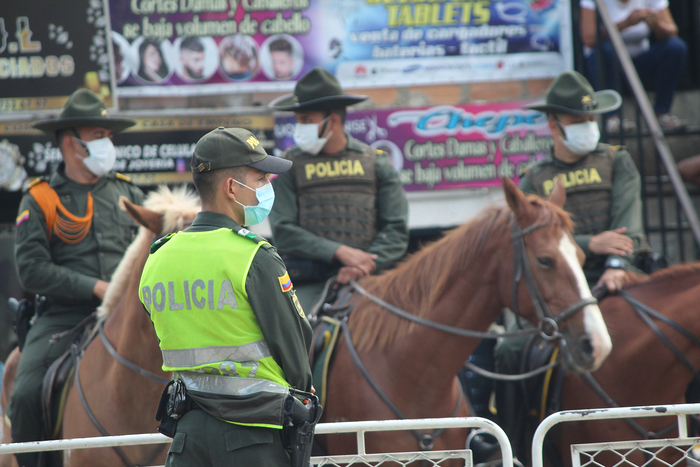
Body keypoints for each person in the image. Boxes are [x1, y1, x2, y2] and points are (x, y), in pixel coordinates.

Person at [494, 71, 649, 459]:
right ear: (554, 124)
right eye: (578, 122)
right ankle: (512, 448)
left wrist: (616, 263)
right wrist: (588, 243)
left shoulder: (617, 161)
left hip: (618, 274)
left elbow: (630, 224)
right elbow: (531, 244)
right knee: (509, 350)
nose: (587, 128)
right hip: (559, 283)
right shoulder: (536, 178)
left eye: (591, 120)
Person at [139, 127, 314, 467]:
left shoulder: (158, 258)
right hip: (254, 437)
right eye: (261, 178)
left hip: (187, 437)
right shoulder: (255, 257)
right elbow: (295, 348)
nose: (268, 187)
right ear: (232, 188)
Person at [9, 89, 142, 467]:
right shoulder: (40, 198)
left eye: (109, 135)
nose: (108, 143)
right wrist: (98, 288)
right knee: (27, 393)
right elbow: (32, 269)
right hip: (63, 318)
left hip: (127, 315)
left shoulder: (127, 191)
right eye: (99, 135)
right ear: (72, 143)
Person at [268, 67, 409, 312]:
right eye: (298, 120)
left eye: (306, 120)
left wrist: (362, 265)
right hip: (311, 281)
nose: (298, 127)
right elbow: (284, 232)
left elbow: (395, 230)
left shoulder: (376, 164)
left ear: (332, 121)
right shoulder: (288, 166)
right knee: (299, 337)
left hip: (370, 278)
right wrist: (338, 252)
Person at [580, 0, 687, 133]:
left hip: (640, 66)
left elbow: (672, 31)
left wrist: (656, 23)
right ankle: (612, 118)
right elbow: (589, 39)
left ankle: (662, 114)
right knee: (603, 50)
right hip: (611, 69)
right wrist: (626, 23)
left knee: (675, 47)